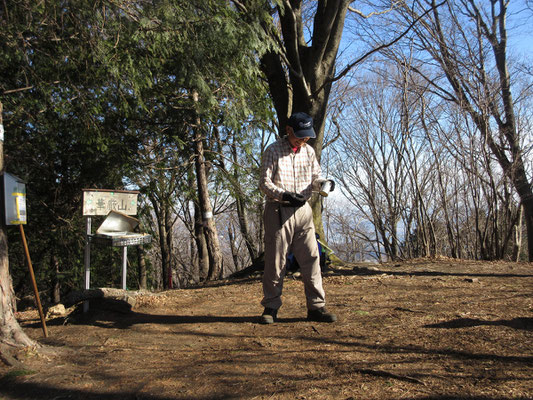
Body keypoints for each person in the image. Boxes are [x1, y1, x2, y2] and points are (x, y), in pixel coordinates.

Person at [258, 111, 336, 324]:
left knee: (312, 258)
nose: (303, 140)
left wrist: (323, 184)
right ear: (288, 130)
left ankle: (316, 307)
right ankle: (270, 308)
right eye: (300, 135)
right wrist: (283, 194)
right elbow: (264, 182)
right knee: (276, 261)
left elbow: (315, 178)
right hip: (278, 210)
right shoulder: (273, 150)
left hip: (303, 211)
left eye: (307, 136)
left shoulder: (309, 152)